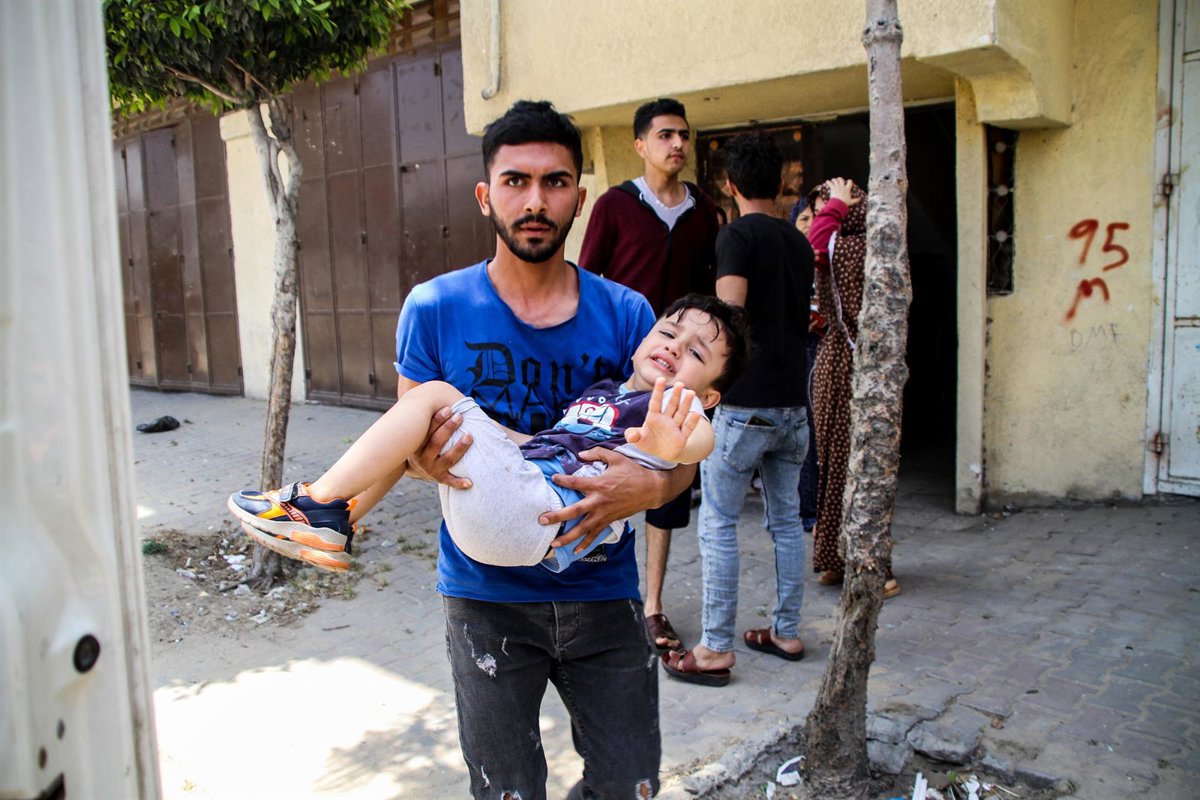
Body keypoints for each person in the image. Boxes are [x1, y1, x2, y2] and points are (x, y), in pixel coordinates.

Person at [254, 100, 696, 800]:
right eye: (516, 181)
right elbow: (410, 445)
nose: (535, 201)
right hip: (486, 596)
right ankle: (325, 513)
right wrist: (423, 461)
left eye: (554, 182)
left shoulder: (628, 313)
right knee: (505, 790)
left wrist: (651, 489)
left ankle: (322, 510)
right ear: (486, 195)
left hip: (603, 590)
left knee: (629, 784)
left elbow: (679, 456)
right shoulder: (434, 308)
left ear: (579, 198)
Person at [228, 294, 750, 576]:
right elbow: (537, 447)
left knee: (433, 393)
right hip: (522, 503)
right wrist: (474, 423)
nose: (675, 346)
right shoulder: (603, 392)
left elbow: (696, 445)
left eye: (695, 352)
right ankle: (336, 519)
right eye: (668, 331)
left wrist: (669, 443)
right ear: (642, 340)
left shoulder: (679, 413)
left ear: (708, 396)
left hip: (538, 514)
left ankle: (316, 501)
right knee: (425, 421)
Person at [662, 133, 813, 687]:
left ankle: (715, 648)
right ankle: (786, 632)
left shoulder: (737, 236)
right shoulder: (798, 242)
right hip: (793, 404)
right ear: (780, 184)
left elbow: (727, 324)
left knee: (719, 522)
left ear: (730, 184)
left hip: (744, 406)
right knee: (786, 523)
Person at [580, 97, 722, 652]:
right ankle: (587, 588)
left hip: (680, 375)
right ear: (641, 145)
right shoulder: (615, 205)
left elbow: (711, 302)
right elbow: (588, 282)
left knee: (668, 483)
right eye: (665, 135)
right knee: (592, 465)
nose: (677, 144)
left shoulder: (704, 211)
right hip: (620, 368)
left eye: (684, 135)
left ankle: (653, 605)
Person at [806, 178, 901, 599]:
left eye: (832, 204)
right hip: (838, 363)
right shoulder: (844, 243)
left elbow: (815, 247)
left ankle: (872, 566)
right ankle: (836, 556)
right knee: (833, 464)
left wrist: (835, 208)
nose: (823, 215)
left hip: (860, 369)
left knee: (860, 467)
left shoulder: (860, 246)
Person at [790, 196, 822, 533]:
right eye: (804, 219)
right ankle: (808, 509)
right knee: (806, 433)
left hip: (824, 347)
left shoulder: (831, 259)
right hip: (799, 351)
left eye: (817, 217)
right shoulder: (787, 262)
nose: (811, 225)